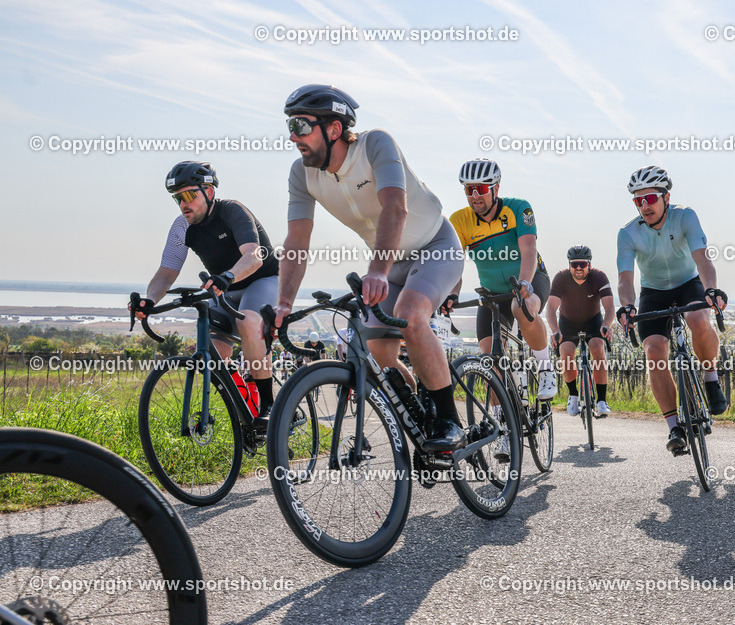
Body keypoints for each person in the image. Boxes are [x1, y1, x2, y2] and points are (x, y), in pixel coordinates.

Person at [275, 84, 466, 452]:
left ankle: (449, 421)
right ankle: (419, 413)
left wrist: (376, 271)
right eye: (290, 127)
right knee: (375, 348)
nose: (293, 137)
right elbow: (297, 240)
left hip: (434, 247)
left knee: (410, 315)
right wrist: (284, 303)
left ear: (334, 128)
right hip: (391, 263)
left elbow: (395, 207)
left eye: (301, 126)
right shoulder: (302, 174)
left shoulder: (375, 144)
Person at [132, 161, 279, 427]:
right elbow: (166, 272)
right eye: (177, 198)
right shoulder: (181, 227)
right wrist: (149, 300)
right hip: (225, 290)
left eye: (189, 195)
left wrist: (228, 276)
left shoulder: (232, 211)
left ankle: (270, 408)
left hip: (263, 280)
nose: (183, 204)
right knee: (212, 354)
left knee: (249, 321)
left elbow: (254, 256)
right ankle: (246, 412)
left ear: (209, 192)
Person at [615, 165, 729, 456]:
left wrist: (711, 290)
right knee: (653, 350)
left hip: (688, 284)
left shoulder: (685, 216)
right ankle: (674, 427)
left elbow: (703, 260)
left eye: (650, 198)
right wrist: (627, 306)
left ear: (666, 197)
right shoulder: (627, 233)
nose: (644, 205)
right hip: (653, 293)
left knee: (698, 318)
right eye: (638, 200)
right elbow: (625, 279)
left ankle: (711, 378)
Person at [445, 159, 556, 400]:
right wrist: (451, 294)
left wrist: (524, 283)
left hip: (531, 279)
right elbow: (453, 266)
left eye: (480, 189)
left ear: (496, 188)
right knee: (490, 359)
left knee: (522, 306)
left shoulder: (519, 209)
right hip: (492, 293)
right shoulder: (459, 220)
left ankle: (546, 368)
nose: (475, 196)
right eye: (469, 190)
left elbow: (528, 250)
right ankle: (501, 416)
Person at [546, 245, 614, 417]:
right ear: (569, 265)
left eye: (582, 264)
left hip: (593, 321)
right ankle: (573, 395)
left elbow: (610, 308)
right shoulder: (561, 278)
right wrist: (555, 331)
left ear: (589, 264)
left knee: (598, 347)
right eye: (574, 264)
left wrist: (606, 325)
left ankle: (602, 400)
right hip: (568, 323)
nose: (578, 268)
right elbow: (551, 309)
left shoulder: (599, 277)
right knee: (566, 352)